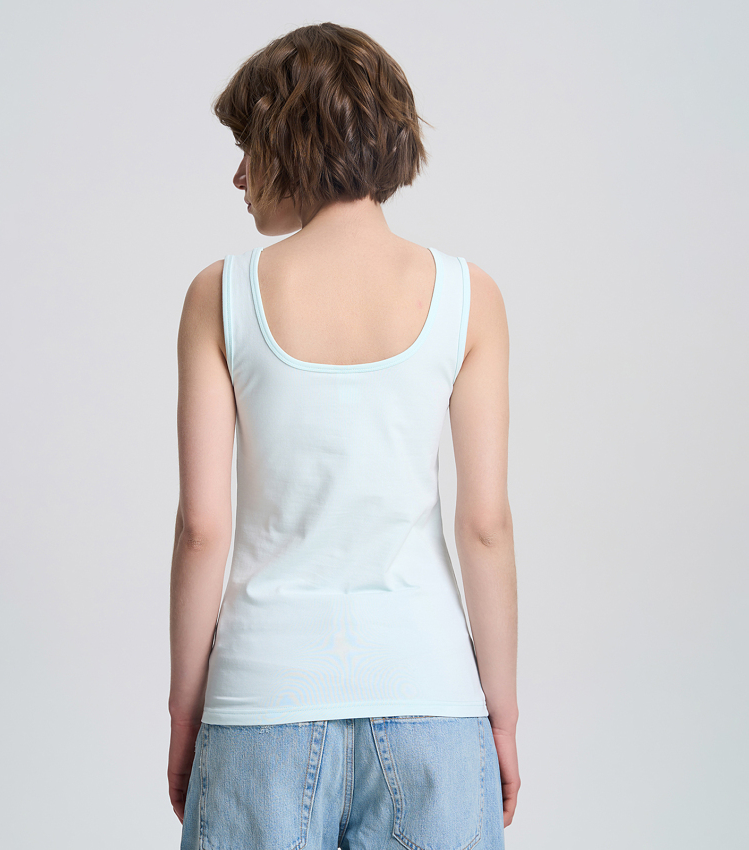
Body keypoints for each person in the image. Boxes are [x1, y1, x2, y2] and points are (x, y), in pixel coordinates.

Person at [168, 22, 520, 850]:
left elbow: (201, 528)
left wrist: (185, 711)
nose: (238, 175)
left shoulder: (220, 295)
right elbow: (485, 525)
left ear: (293, 140)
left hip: (261, 703)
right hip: (433, 699)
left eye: (248, 145)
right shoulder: (469, 296)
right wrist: (500, 715)